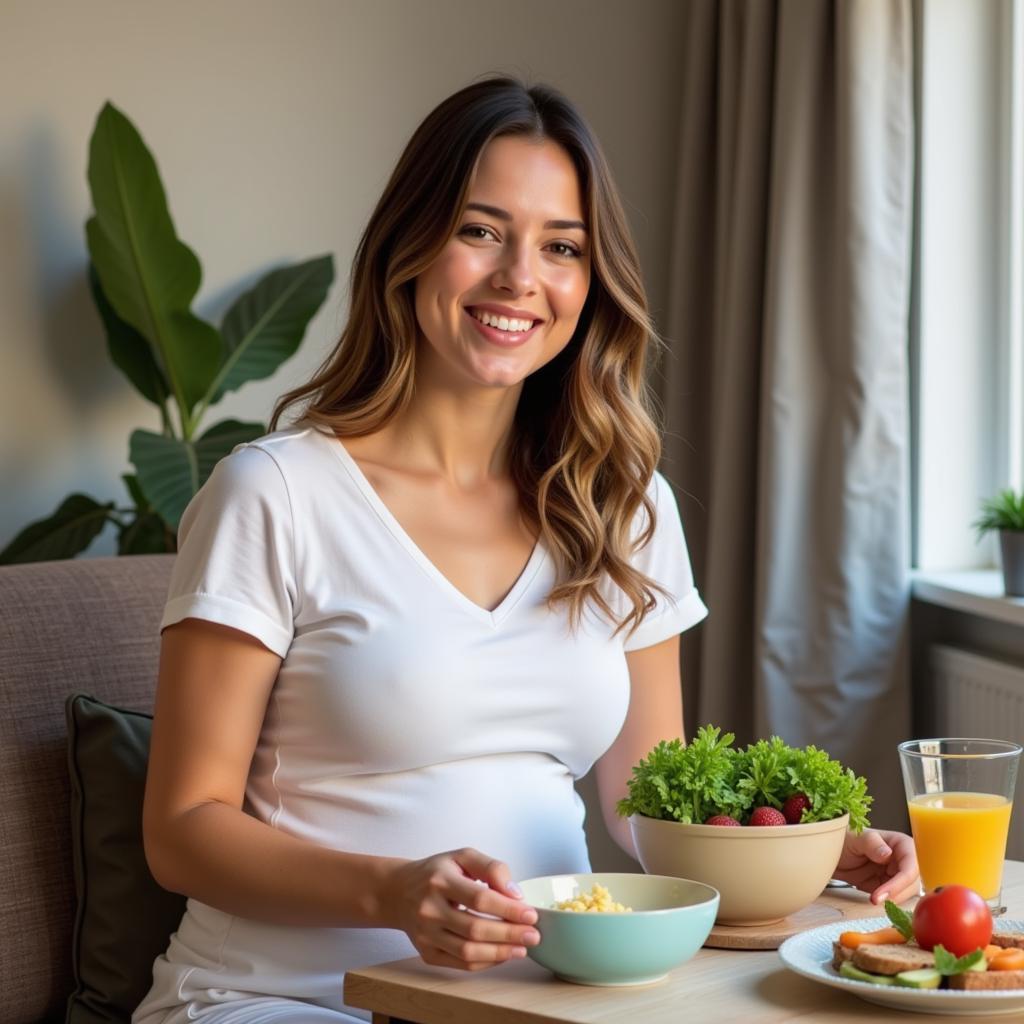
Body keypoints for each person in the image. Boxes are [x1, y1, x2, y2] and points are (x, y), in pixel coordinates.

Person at [133, 77, 919, 1024]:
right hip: (280, 998)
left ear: (591, 285)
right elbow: (182, 831)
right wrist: (389, 893)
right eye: (479, 230)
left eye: (561, 247)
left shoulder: (623, 504)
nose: (519, 278)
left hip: (537, 1002)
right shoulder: (275, 493)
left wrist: (801, 848)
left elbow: (645, 790)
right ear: (410, 244)